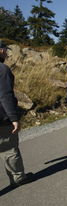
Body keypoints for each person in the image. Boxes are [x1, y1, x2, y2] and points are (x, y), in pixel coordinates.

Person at [0, 40, 34, 187]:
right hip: (2, 118)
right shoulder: (3, 70)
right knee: (9, 148)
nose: (7, 52)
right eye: (5, 50)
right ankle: (18, 177)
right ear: (1, 50)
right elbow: (5, 95)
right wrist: (14, 118)